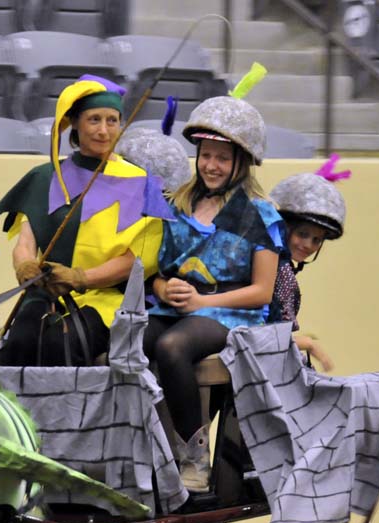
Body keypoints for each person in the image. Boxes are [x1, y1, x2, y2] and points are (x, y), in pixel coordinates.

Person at [144, 72, 283, 492]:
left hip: (229, 313)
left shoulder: (258, 214)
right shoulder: (178, 204)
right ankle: (144, 446)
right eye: (206, 155)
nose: (211, 165)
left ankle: (194, 457)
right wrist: (163, 289)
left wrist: (202, 303)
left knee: (172, 347)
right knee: (127, 339)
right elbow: (157, 272)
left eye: (222, 158)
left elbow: (262, 291)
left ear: (241, 162)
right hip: (175, 306)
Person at [0, 75, 168, 366]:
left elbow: (135, 260)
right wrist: (25, 267)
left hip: (108, 301)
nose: (103, 130)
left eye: (112, 121)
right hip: (47, 292)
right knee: (19, 342)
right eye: (94, 120)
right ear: (75, 122)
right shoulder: (45, 178)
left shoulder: (141, 183)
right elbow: (26, 242)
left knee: (59, 342)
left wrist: (80, 278)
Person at [267, 154, 350, 373]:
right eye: (302, 234)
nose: (308, 245)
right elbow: (267, 340)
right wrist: (309, 344)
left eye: (316, 240)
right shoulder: (281, 272)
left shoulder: (275, 263)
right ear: (285, 227)